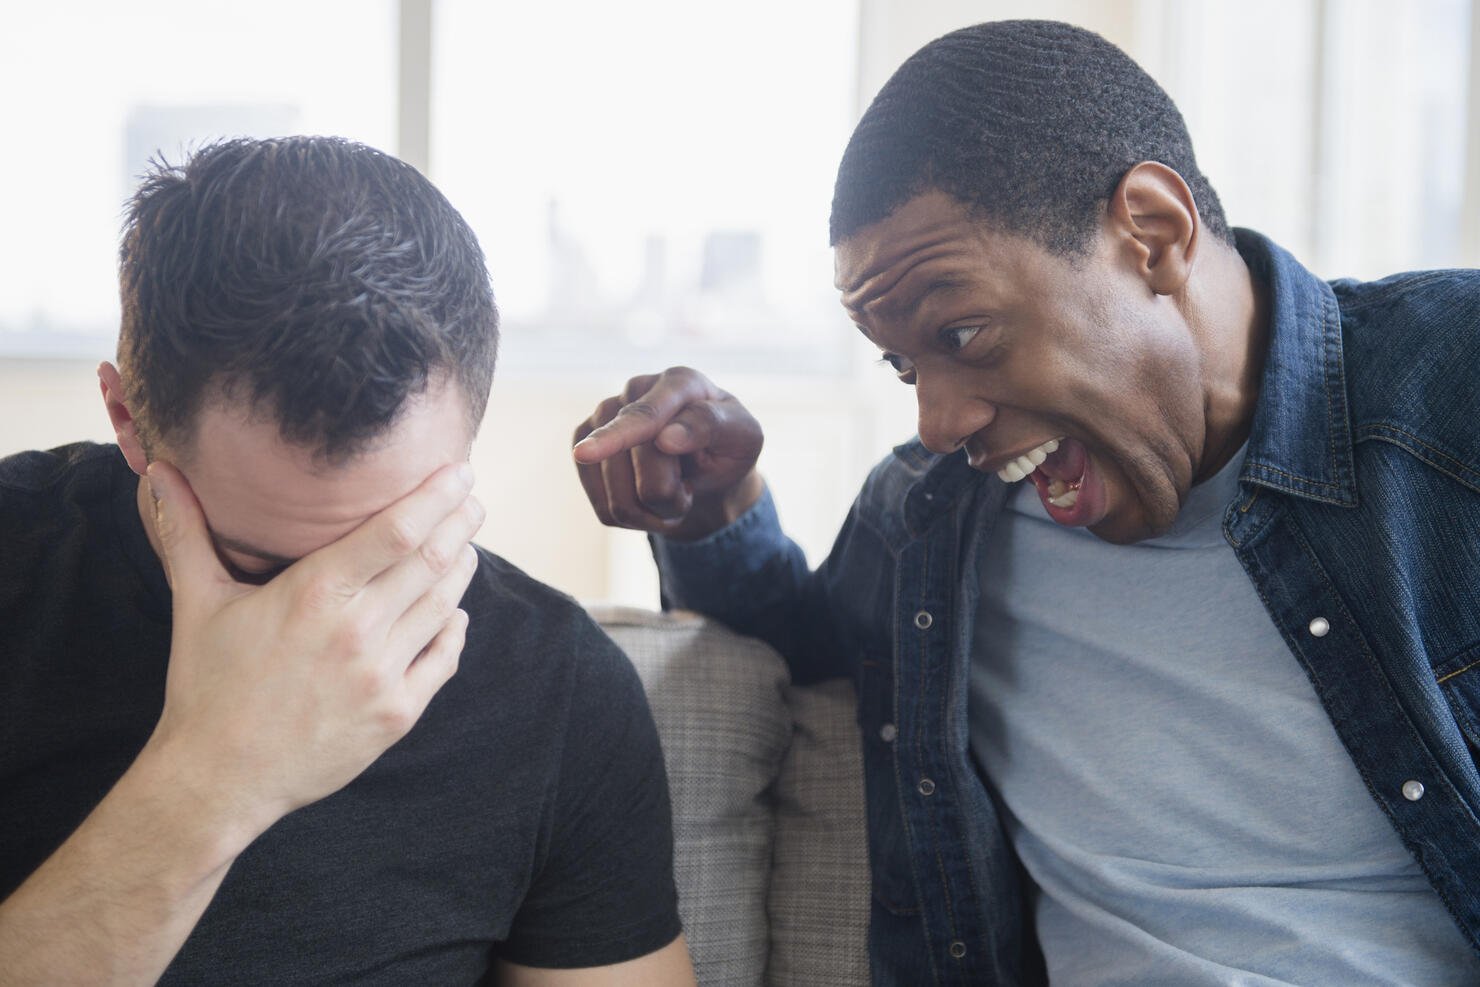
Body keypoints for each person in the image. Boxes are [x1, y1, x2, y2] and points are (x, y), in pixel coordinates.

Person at [572, 19, 1480, 986]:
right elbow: (801, 653)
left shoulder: (1451, 388)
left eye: (961, 333)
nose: (936, 420)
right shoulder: (932, 522)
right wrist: (714, 504)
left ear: (1153, 233)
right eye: (902, 363)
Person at [0, 136, 694, 985]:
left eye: (396, 549)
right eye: (260, 563)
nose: (328, 621)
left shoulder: (561, 687)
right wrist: (216, 775)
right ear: (127, 418)